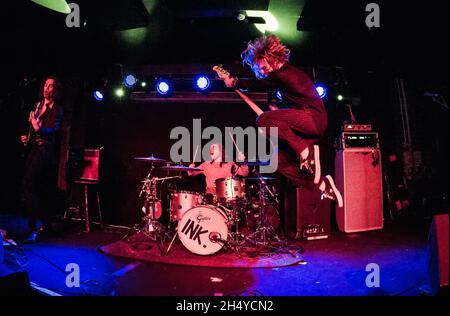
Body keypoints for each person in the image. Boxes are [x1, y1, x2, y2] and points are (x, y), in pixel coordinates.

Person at [222, 35, 343, 207]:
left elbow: (261, 83)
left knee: (263, 120)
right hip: (303, 126)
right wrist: (280, 114)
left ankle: (306, 153)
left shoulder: (285, 73)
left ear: (269, 57)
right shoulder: (280, 80)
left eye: (263, 67)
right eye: (260, 69)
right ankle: (324, 185)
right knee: (277, 161)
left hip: (313, 120)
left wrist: (235, 81)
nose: (262, 72)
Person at [20, 76, 63, 242]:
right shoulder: (37, 105)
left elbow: (53, 130)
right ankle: (42, 224)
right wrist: (27, 136)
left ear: (56, 90)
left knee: (30, 182)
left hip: (45, 151)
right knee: (31, 185)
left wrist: (39, 128)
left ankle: (35, 226)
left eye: (51, 86)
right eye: (45, 85)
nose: (47, 88)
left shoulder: (57, 108)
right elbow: (32, 127)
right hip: (33, 149)